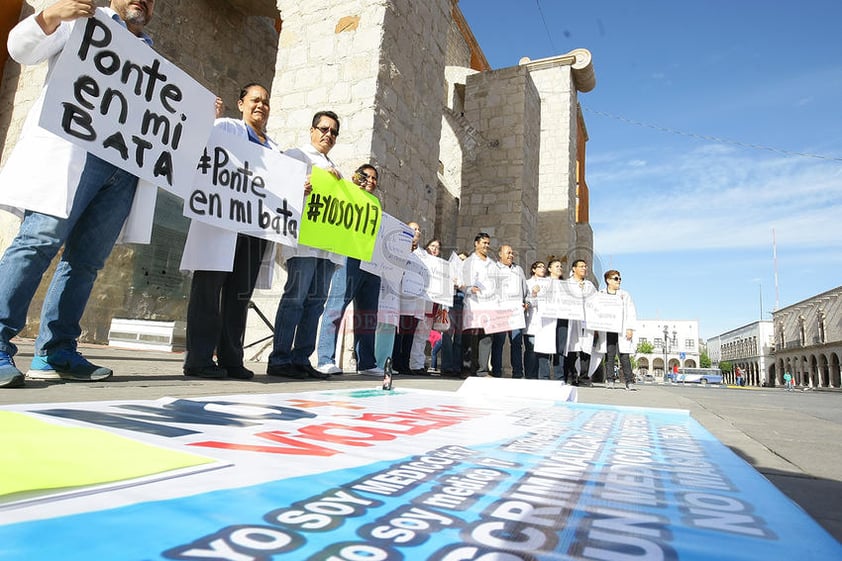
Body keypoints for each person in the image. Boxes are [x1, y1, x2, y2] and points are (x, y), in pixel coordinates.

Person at [0, 0, 158, 388]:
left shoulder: (152, 56)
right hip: (73, 152)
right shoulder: (84, 23)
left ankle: (56, 350)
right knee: (39, 240)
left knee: (87, 260)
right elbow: (20, 49)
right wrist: (52, 15)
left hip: (122, 168)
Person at [180, 84, 278, 380]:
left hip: (254, 227)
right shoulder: (225, 127)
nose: (260, 105)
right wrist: (206, 119)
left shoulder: (275, 149)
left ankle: (231, 358)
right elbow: (199, 147)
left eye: (265, 101)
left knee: (239, 294)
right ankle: (198, 358)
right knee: (209, 289)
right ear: (241, 104)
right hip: (221, 220)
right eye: (255, 100)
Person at [267, 111, 342, 379]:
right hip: (303, 241)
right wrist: (302, 185)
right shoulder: (296, 156)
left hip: (326, 247)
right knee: (295, 299)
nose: (328, 135)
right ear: (312, 130)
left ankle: (301, 358)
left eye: (333, 132)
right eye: (324, 129)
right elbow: (276, 186)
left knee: (316, 303)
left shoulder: (336, 169)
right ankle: (280, 358)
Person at [315, 164, 383, 376]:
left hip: (371, 261)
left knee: (368, 314)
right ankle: (325, 358)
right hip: (348, 257)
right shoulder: (347, 192)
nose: (370, 181)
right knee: (336, 306)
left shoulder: (376, 204)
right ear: (357, 177)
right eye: (366, 176)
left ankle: (367, 363)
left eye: (374, 178)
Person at [391, 222, 425, 375]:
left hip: (415, 299)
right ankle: (396, 362)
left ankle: (405, 363)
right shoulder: (398, 248)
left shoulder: (422, 255)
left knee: (410, 332)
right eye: (414, 228)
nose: (417, 231)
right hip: (400, 297)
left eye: (419, 229)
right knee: (400, 331)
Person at [490, 244, 527, 378]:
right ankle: (496, 371)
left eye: (512, 253)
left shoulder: (519, 270)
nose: (511, 255)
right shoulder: (493, 268)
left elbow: (525, 289)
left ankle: (518, 372)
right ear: (500, 254)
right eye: (508, 253)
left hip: (516, 312)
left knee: (517, 343)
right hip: (500, 311)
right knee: (498, 342)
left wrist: (526, 302)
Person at [461, 232, 495, 377]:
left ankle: (482, 370)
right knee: (470, 337)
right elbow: (460, 281)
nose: (486, 246)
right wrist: (469, 289)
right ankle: (467, 369)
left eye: (488, 243)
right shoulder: (468, 262)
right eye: (483, 243)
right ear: (476, 243)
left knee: (486, 337)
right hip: (473, 303)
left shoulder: (492, 264)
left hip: (488, 304)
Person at [601, 270, 637, 391]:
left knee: (624, 356)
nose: (619, 281)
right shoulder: (601, 294)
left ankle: (629, 381)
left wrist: (630, 328)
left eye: (620, 278)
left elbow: (631, 312)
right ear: (608, 280)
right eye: (616, 278)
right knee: (609, 355)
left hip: (622, 329)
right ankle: (610, 379)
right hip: (608, 329)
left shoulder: (624, 295)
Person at [563, 258, 597, 385]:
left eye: (585, 266)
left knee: (586, 350)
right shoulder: (567, 284)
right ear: (574, 268)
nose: (584, 268)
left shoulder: (590, 285)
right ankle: (570, 376)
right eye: (581, 266)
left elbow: (596, 302)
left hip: (587, 321)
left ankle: (584, 378)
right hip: (573, 320)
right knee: (571, 347)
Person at [535, 257, 568, 381]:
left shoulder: (567, 285)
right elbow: (535, 299)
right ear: (549, 269)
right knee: (545, 347)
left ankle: (559, 377)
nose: (560, 268)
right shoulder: (542, 283)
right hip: (547, 319)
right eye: (557, 266)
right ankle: (544, 376)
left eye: (561, 266)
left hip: (562, 319)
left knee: (560, 348)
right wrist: (535, 292)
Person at [522, 260, 546, 379]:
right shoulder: (527, 283)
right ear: (533, 269)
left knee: (541, 351)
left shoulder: (548, 283)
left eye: (544, 267)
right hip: (531, 321)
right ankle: (530, 375)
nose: (543, 269)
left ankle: (538, 375)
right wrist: (534, 294)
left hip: (544, 323)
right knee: (531, 350)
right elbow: (527, 302)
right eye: (539, 267)